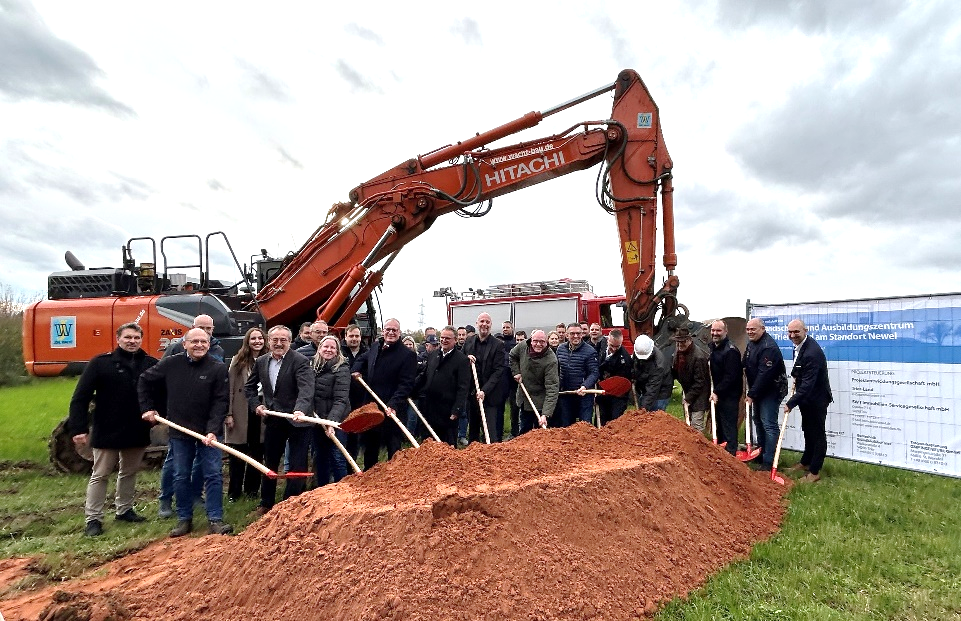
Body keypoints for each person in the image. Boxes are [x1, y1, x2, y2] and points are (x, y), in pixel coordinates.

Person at [139, 328, 232, 537]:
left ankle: (215, 519)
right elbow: (144, 380)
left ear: (209, 344)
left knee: (213, 474)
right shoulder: (171, 364)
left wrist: (212, 431)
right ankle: (184, 519)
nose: (199, 345)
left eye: (203, 342)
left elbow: (221, 402)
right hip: (180, 431)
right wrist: (148, 408)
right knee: (180, 475)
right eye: (194, 341)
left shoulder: (218, 368)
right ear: (184, 344)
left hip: (208, 433)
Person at [68, 322, 158, 537]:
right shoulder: (100, 364)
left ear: (141, 340)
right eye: (128, 337)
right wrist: (78, 428)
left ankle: (124, 510)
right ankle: (93, 519)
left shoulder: (151, 364)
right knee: (100, 474)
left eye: (136, 338)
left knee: (129, 472)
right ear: (118, 339)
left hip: (137, 428)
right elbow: (80, 398)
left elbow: (161, 392)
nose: (132, 341)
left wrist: (157, 412)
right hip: (107, 429)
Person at [157, 313, 223, 518]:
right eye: (201, 328)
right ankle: (166, 499)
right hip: (180, 419)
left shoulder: (218, 350)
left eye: (208, 330)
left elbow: (219, 389)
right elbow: (160, 379)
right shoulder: (175, 350)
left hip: (206, 420)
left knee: (204, 465)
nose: (205, 333)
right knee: (176, 465)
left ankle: (195, 496)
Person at [245, 325, 314, 516]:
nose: (278, 343)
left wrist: (300, 409)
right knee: (270, 462)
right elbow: (249, 388)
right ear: (268, 341)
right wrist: (256, 405)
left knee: (297, 465)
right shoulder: (262, 361)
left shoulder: (300, 361)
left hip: (298, 420)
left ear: (290, 342)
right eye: (275, 340)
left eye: (283, 340)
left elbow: (306, 389)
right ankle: (266, 504)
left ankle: (290, 505)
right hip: (274, 419)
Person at [352, 318, 418, 468]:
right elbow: (362, 358)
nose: (391, 332)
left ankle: (395, 477)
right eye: (388, 329)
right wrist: (356, 369)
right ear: (383, 331)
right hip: (372, 407)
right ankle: (370, 475)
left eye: (394, 330)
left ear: (399, 333)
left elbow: (406, 384)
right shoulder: (376, 346)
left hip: (392, 409)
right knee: (370, 447)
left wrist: (393, 404)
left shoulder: (407, 355)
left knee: (393, 449)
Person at [785, 319, 833, 482]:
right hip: (806, 398)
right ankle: (806, 462)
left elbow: (808, 384)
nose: (793, 335)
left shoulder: (812, 352)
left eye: (796, 332)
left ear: (805, 331)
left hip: (817, 398)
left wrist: (791, 403)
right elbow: (800, 370)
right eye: (790, 332)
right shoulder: (800, 346)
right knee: (807, 430)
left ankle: (814, 472)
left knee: (817, 434)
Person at [225, 327, 266, 502]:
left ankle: (252, 490)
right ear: (247, 341)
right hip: (241, 410)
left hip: (261, 410)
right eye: (253, 338)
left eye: (260, 338)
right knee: (238, 454)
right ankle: (234, 492)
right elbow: (230, 388)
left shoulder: (269, 359)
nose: (257, 341)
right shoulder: (238, 360)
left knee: (257, 452)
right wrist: (228, 413)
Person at [743, 318, 788, 469]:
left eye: (753, 329)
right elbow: (745, 362)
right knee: (757, 420)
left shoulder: (769, 347)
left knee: (768, 424)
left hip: (772, 389)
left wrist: (751, 394)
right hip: (759, 390)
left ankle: (769, 461)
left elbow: (765, 375)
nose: (750, 332)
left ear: (762, 329)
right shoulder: (752, 343)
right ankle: (760, 454)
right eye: (748, 329)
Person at [414, 326, 470, 446]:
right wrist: (411, 389)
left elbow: (463, 388)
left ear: (455, 340)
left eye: (447, 338)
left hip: (447, 412)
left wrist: (457, 410)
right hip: (429, 408)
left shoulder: (462, 360)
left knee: (447, 446)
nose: (444, 340)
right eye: (442, 338)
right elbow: (424, 376)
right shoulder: (433, 355)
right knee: (428, 444)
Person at [306, 335, 351, 485]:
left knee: (337, 456)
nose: (329, 350)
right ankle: (323, 489)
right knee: (320, 456)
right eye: (326, 346)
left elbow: (341, 399)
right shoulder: (311, 366)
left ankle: (341, 489)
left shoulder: (342, 368)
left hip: (338, 420)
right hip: (317, 419)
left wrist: (331, 423)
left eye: (333, 347)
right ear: (319, 348)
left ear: (337, 351)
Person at [461, 312, 505, 442]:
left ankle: (492, 452)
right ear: (477, 324)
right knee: (473, 431)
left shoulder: (498, 344)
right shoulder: (469, 341)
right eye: (482, 321)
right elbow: (460, 360)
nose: (484, 324)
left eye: (487, 322)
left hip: (489, 395)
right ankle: (474, 452)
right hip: (472, 394)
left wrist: (484, 391)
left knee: (490, 432)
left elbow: (498, 371)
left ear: (491, 325)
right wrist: (466, 359)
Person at [509, 329, 558, 433]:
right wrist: (516, 372)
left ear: (546, 342)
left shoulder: (551, 360)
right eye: (535, 341)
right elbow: (512, 355)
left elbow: (552, 388)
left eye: (542, 342)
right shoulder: (523, 346)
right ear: (531, 340)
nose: (538, 344)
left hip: (540, 401)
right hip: (524, 396)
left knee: (540, 434)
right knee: (524, 430)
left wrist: (545, 414)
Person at [555, 323, 599, 427]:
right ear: (567, 335)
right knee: (566, 426)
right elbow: (556, 370)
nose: (576, 336)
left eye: (578, 333)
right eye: (572, 333)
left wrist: (585, 386)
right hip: (566, 394)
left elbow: (594, 373)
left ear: (582, 334)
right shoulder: (560, 349)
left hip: (584, 395)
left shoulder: (590, 351)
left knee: (584, 426)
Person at [709, 320, 742, 456]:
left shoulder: (731, 351)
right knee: (720, 425)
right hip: (719, 394)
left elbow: (730, 377)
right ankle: (721, 456)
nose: (715, 333)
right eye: (713, 330)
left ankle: (731, 454)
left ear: (725, 332)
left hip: (729, 395)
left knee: (729, 427)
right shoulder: (713, 347)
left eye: (718, 330)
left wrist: (717, 391)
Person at [671, 328, 710, 433]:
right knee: (688, 424)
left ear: (689, 340)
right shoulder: (679, 352)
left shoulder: (699, 357)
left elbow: (700, 382)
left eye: (682, 342)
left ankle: (700, 443)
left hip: (699, 395)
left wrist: (688, 398)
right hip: (687, 390)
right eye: (678, 342)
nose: (680, 345)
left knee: (696, 426)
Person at [340, 324, 368, 461]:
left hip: (359, 399)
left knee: (354, 435)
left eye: (357, 336)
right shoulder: (339, 351)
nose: (354, 339)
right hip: (341, 399)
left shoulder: (368, 353)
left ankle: (351, 464)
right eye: (351, 336)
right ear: (345, 337)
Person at [597, 329, 632, 425]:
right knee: (601, 419)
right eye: (612, 345)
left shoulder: (624, 359)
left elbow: (622, 383)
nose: (615, 349)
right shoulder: (602, 344)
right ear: (608, 340)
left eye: (618, 346)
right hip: (603, 391)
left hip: (618, 394)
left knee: (614, 421)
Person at [633, 334, 673, 412]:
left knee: (654, 415)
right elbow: (635, 366)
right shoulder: (639, 351)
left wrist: (643, 408)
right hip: (646, 387)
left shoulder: (658, 365)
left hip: (661, 392)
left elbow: (652, 389)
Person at [495, 320, 517, 441]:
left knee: (514, 408)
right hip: (502, 381)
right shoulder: (499, 343)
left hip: (513, 381)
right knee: (500, 408)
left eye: (507, 327)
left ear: (512, 329)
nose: (505, 329)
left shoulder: (515, 343)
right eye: (503, 327)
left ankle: (514, 432)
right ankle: (498, 435)